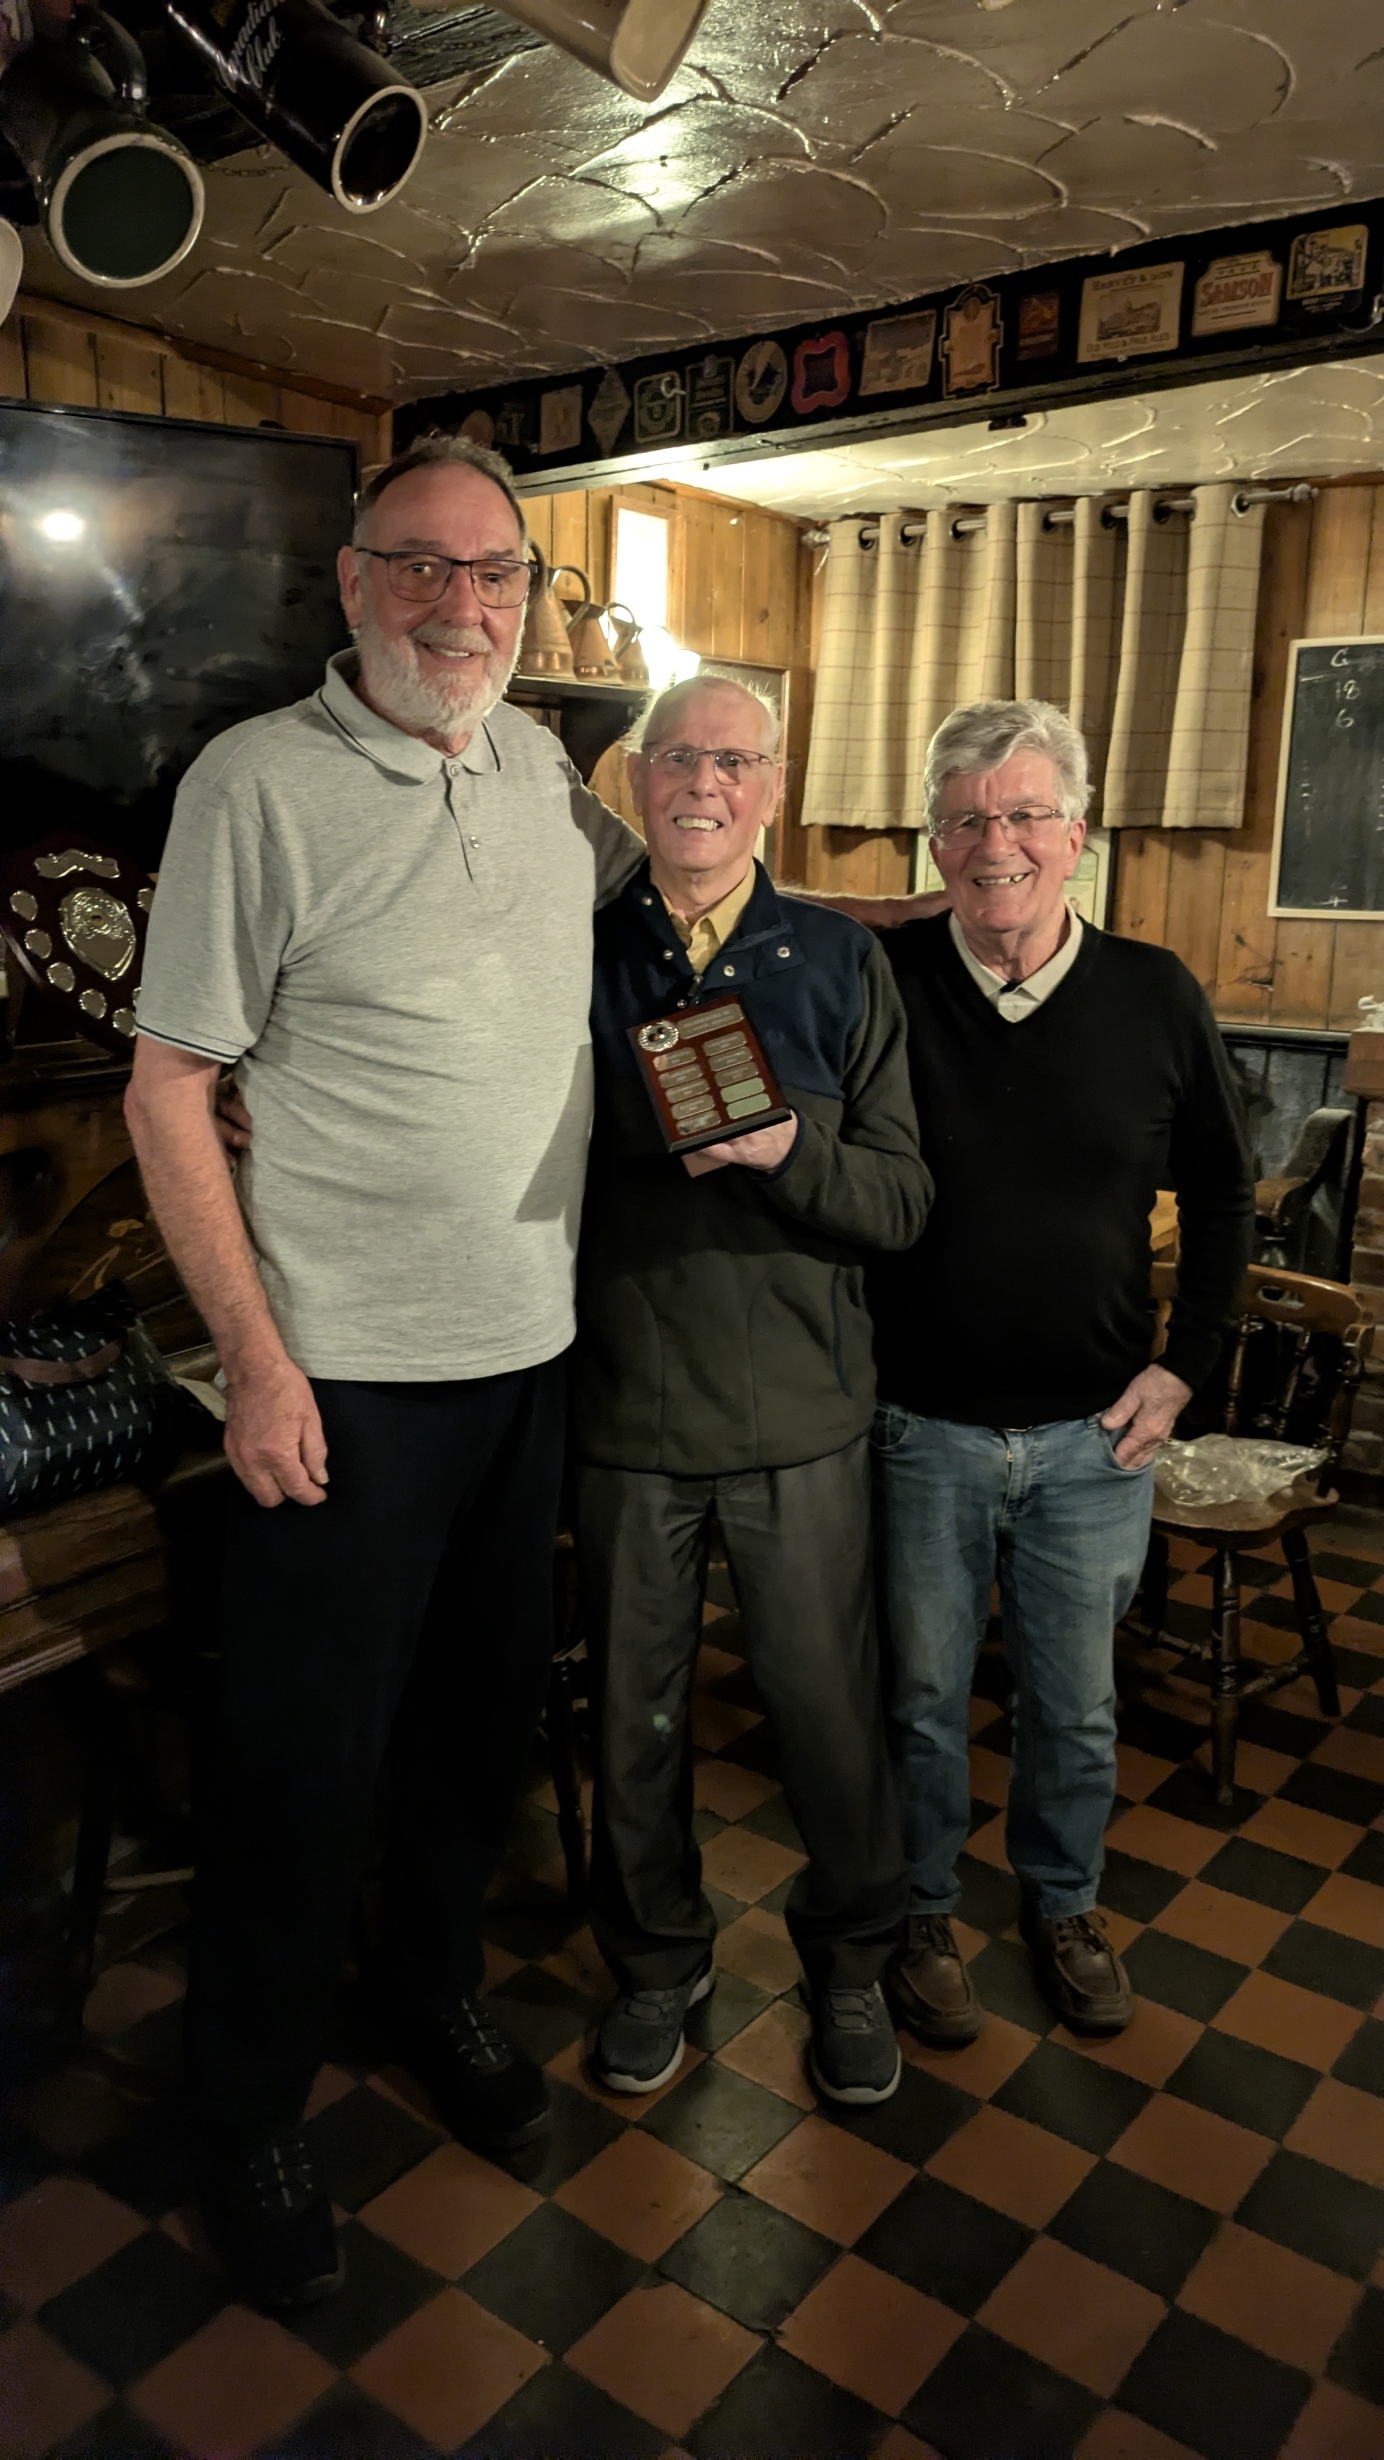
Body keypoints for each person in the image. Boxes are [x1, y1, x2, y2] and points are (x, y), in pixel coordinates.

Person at [124, 435, 647, 2311]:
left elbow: (670, 891)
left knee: (474, 1734)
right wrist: (256, 1362)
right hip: (341, 1379)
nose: (460, 604)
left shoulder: (540, 773)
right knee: (299, 1764)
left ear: (529, 597)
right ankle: (244, 2107)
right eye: (419, 566)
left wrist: (900, 921)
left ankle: (431, 1993)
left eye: (494, 572)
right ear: (352, 585)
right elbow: (170, 1088)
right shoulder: (253, 782)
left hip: (528, 1358)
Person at [868, 699, 1253, 2046]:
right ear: (934, 841)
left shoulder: (1155, 993)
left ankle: (1063, 1904)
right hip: (918, 1429)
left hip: (1098, 1437)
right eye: (967, 819)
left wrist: (1186, 1368)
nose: (999, 844)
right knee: (919, 1705)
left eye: (1027, 814)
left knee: (1076, 1713)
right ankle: (921, 1910)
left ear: (1077, 834)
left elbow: (1226, 1195)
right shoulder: (886, 984)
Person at [575, 676, 929, 2107]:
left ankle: (851, 1965)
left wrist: (787, 1150)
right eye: (677, 758)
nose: (703, 784)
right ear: (637, 782)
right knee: (632, 1722)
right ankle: (657, 1964)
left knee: (831, 1720)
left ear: (774, 787)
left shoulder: (841, 961)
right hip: (624, 1409)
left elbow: (901, 1202)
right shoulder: (575, 947)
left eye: (733, 761)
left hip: (804, 1415)